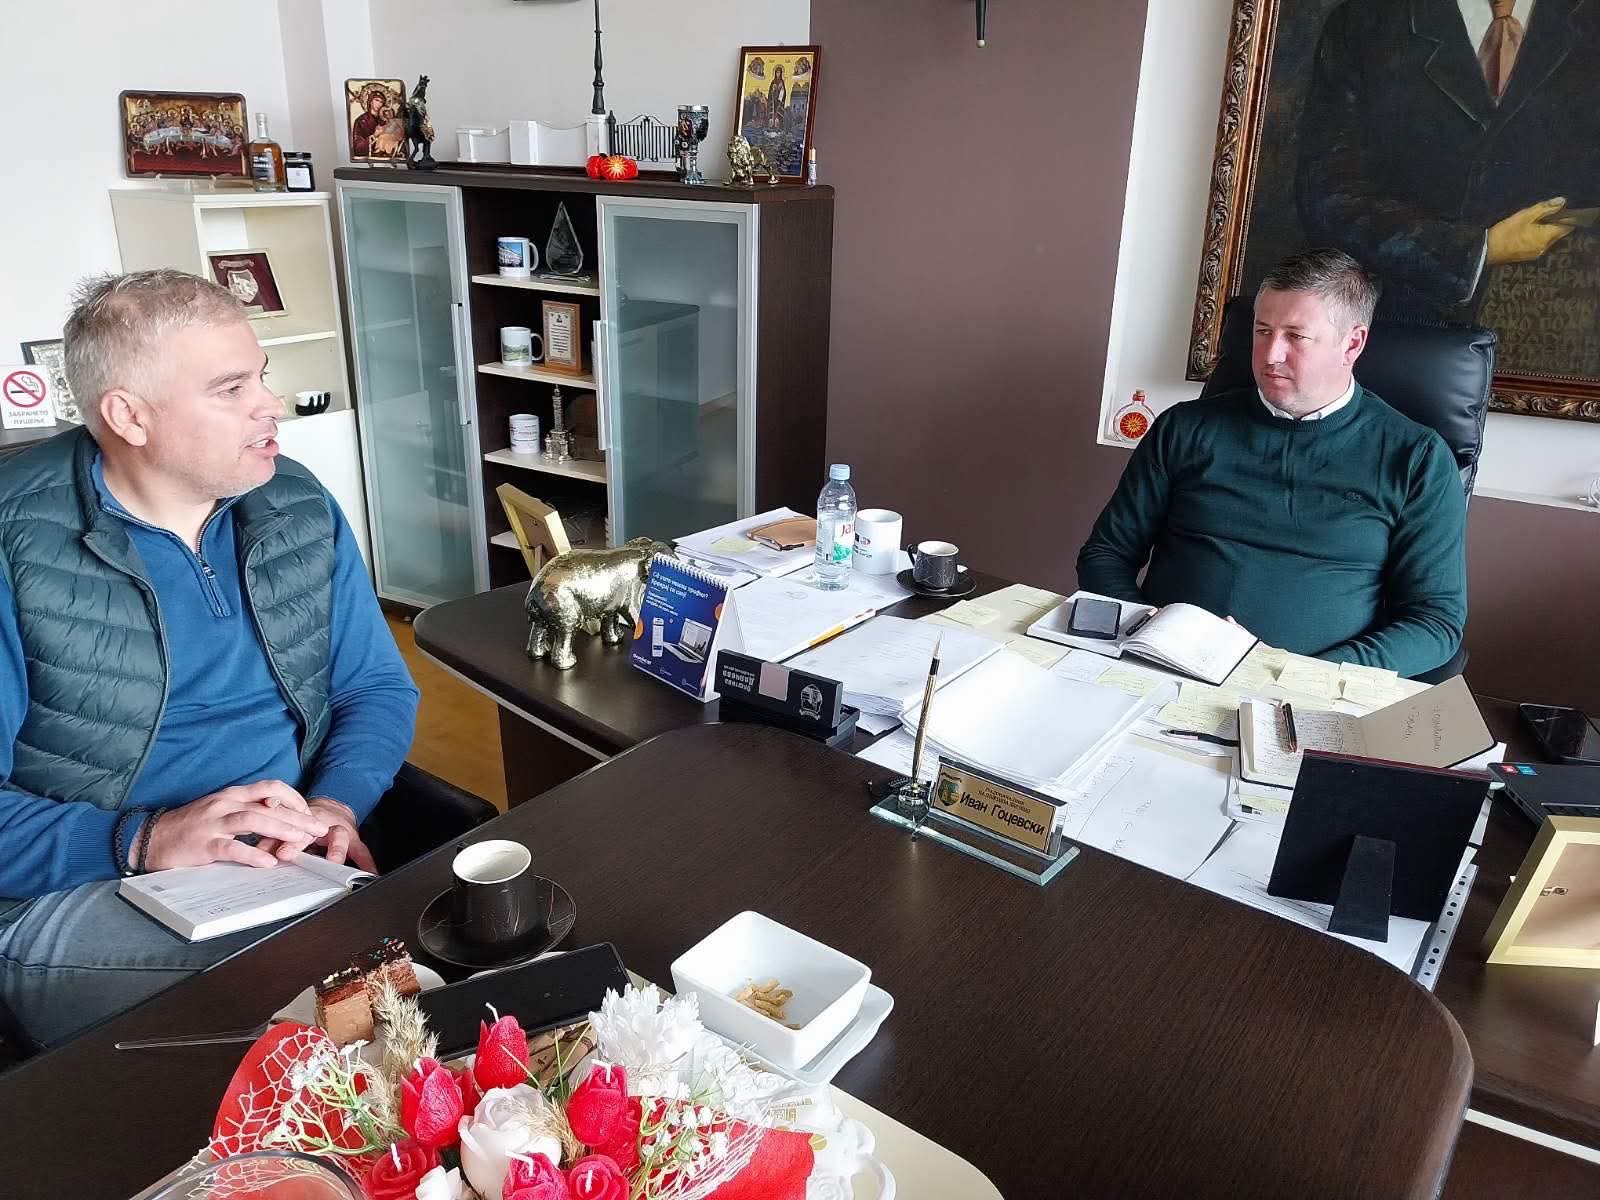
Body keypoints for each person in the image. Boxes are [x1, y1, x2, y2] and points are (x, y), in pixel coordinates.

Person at [0, 270, 419, 1046]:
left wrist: (335, 805)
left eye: (262, 376)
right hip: (72, 888)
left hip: (288, 863)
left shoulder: (295, 503)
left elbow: (373, 686)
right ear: (129, 415)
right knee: (345, 1008)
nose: (270, 403)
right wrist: (143, 840)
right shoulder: (13, 541)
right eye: (231, 389)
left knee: (463, 947)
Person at [1076, 249, 1468, 678]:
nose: (1270, 354)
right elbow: (1106, 554)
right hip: (1162, 664)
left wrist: (1295, 673)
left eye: (1296, 337)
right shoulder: (1185, 428)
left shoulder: (1417, 458)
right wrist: (1148, 631)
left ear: (1352, 343)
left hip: (1310, 687)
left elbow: (1435, 623)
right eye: (1263, 331)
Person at [1296, 0, 1600, 327]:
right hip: (1392, 320)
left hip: (1553, 317)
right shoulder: (1366, 21)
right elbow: (1328, 197)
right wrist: (1476, 251)